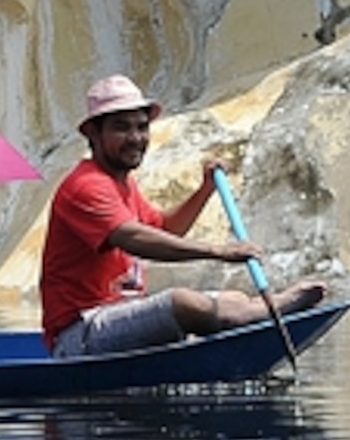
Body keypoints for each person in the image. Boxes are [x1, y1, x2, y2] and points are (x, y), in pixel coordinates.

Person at [40, 75, 323, 358]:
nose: (136, 138)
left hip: (115, 319)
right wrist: (218, 252)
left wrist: (205, 190)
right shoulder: (85, 185)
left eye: (142, 127)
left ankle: (255, 313)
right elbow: (133, 238)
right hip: (80, 335)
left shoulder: (121, 184)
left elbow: (164, 229)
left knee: (233, 299)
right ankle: (261, 315)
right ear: (92, 133)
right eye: (121, 128)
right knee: (181, 303)